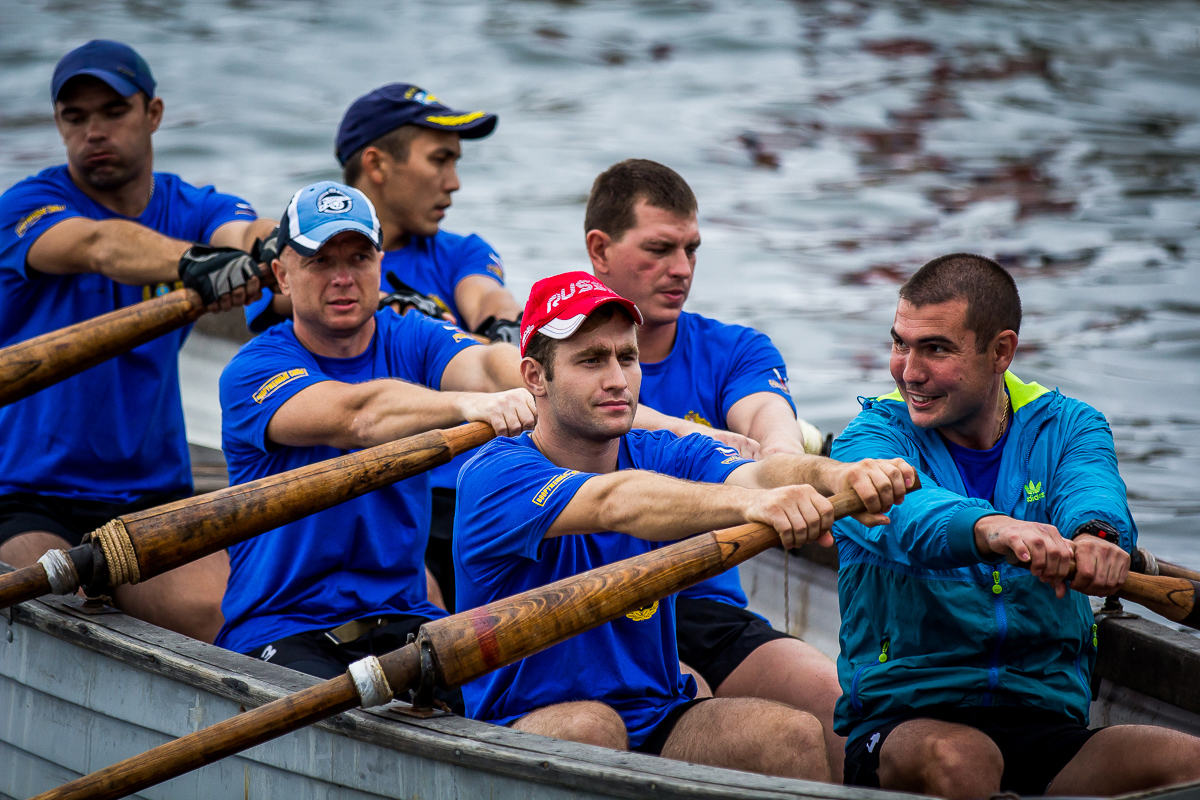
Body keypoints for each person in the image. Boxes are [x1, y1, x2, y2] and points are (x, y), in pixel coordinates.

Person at [453, 271, 914, 779]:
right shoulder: (495, 474)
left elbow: (759, 471)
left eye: (626, 358)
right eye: (590, 360)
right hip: (522, 723)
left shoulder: (663, 451)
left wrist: (835, 473)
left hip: (654, 715)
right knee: (594, 730)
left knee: (792, 738)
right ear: (536, 376)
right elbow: (616, 502)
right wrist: (748, 507)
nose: (616, 379)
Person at [831, 253, 1200, 797]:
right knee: (964, 762)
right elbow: (909, 515)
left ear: (1001, 350)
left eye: (935, 349)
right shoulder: (867, 442)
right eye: (900, 344)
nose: (909, 372)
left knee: (1186, 761)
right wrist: (995, 529)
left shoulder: (1071, 425)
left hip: (1044, 716)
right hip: (904, 722)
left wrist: (1098, 540)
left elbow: (1091, 491)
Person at [215, 181, 535, 706]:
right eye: (321, 261)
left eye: (359, 258)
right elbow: (356, 416)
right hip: (285, 626)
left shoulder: (412, 335)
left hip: (406, 619)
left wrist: (529, 373)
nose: (343, 278)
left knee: (500, 704)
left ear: (380, 265)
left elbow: (481, 363)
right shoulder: (253, 370)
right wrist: (464, 405)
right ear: (282, 275)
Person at [0, 40, 274, 642]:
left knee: (220, 616)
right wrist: (198, 263)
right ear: (59, 125)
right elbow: (99, 245)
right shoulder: (28, 206)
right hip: (27, 492)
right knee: (54, 612)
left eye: (113, 112)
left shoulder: (190, 206)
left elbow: (248, 231)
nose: (93, 131)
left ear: (152, 114)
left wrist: (283, 247)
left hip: (150, 493)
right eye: (76, 117)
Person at [584, 158, 845, 772]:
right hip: (592, 610)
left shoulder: (735, 350)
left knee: (836, 705)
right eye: (659, 248)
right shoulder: (553, 351)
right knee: (693, 703)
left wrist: (783, 469)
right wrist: (695, 440)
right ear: (600, 250)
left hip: (703, 601)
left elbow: (769, 423)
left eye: (692, 249)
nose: (681, 270)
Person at [243, 84, 522, 611]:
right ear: (376, 164)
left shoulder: (460, 252)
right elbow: (282, 301)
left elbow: (489, 299)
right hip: (372, 499)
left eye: (360, 261)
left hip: (474, 492)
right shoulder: (302, 273)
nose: (454, 182)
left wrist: (510, 332)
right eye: (440, 160)